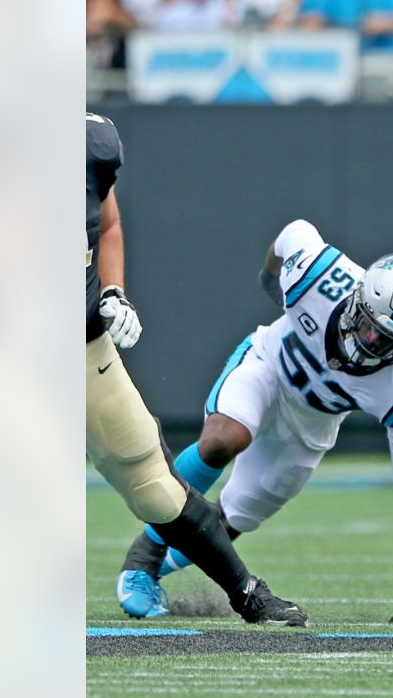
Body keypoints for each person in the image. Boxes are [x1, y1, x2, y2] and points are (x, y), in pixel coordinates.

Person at [115, 219, 393, 624]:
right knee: (224, 438)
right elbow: (293, 232)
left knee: (236, 514)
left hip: (311, 426)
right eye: (369, 326)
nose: (372, 343)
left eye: (389, 340)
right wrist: (272, 279)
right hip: (267, 367)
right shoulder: (319, 275)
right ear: (358, 298)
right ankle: (144, 557)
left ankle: (156, 569)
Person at [86, 112, 307, 627]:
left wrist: (113, 290)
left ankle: (248, 594)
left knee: (155, 486)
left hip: (82, 349)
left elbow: (108, 221)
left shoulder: (90, 143)